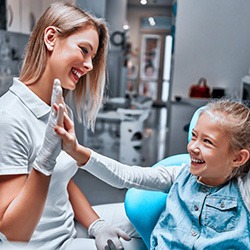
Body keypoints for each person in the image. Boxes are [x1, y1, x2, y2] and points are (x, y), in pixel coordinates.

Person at [0, 2, 132, 250]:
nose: (90, 66)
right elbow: (14, 233)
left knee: (153, 214)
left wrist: (96, 225)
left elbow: (63, 180)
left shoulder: (58, 107)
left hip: (69, 229)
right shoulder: (8, 118)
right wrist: (44, 163)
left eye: (92, 57)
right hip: (42, 246)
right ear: (51, 38)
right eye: (84, 50)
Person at [54, 99, 250, 249]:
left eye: (207, 142)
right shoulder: (179, 176)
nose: (193, 147)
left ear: (238, 158)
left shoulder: (244, 191)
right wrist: (77, 151)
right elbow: (127, 175)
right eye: (194, 136)